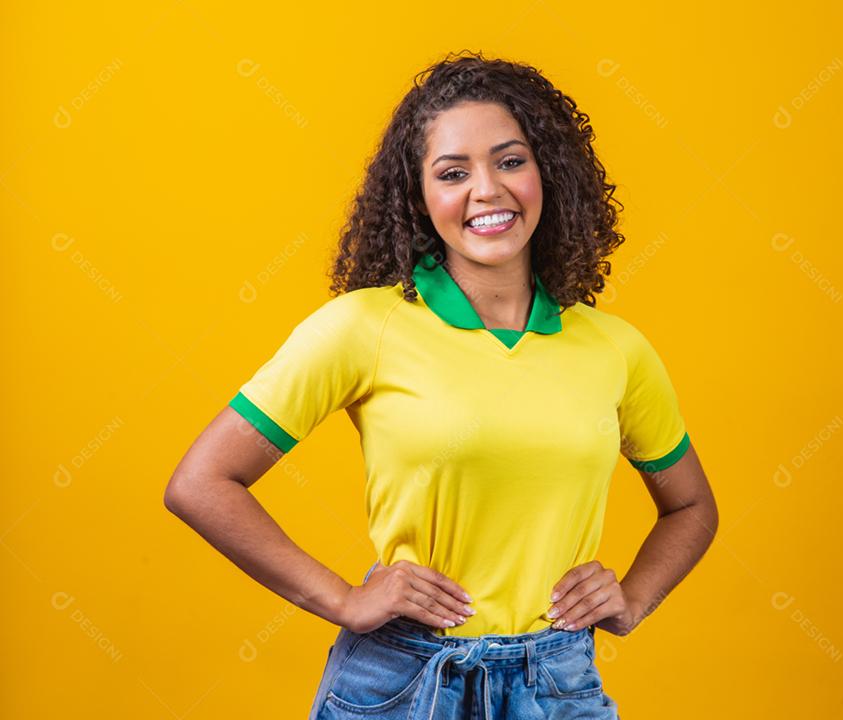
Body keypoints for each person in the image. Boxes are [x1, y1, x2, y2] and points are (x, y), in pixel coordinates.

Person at [164, 50, 717, 719]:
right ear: (419, 197)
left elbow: (691, 507)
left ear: (549, 173)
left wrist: (632, 599)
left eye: (510, 161)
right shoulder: (362, 327)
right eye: (453, 173)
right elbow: (201, 483)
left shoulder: (616, 349)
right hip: (402, 681)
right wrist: (343, 599)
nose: (487, 190)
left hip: (556, 682)